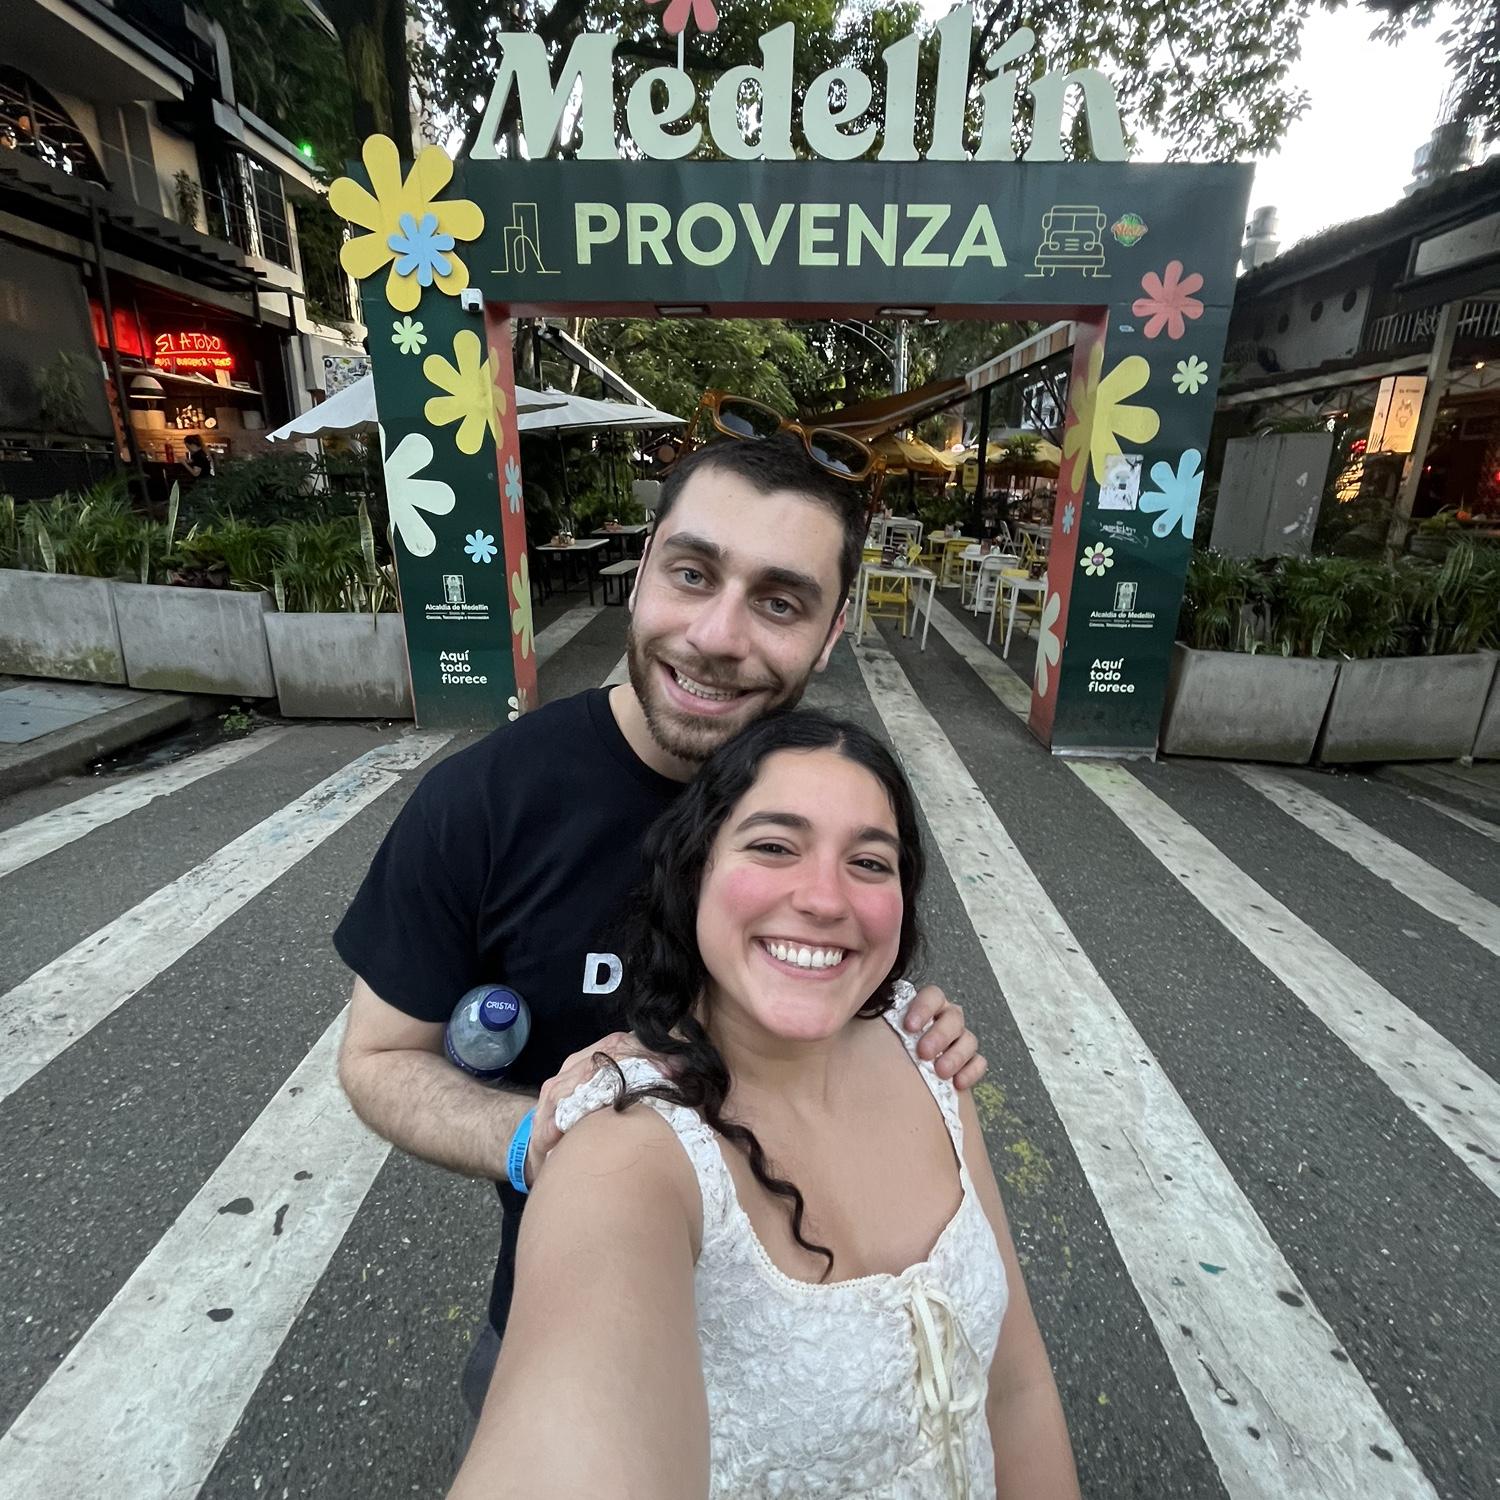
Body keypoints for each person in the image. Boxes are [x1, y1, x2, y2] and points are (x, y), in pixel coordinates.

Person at [332, 434, 987, 1440]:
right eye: (692, 573)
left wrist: (913, 1035)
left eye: (780, 602)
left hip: (827, 1338)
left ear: (831, 634)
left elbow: (855, 1001)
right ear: (641, 572)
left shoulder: (839, 805)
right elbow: (379, 1059)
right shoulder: (482, 804)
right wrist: (535, 1136)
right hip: (564, 1316)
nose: (717, 635)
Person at [449, 711, 1080, 1500]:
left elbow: (1014, 1388)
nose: (824, 898)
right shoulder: (625, 1148)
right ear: (694, 873)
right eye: (775, 846)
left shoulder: (927, 1052)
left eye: (869, 862)